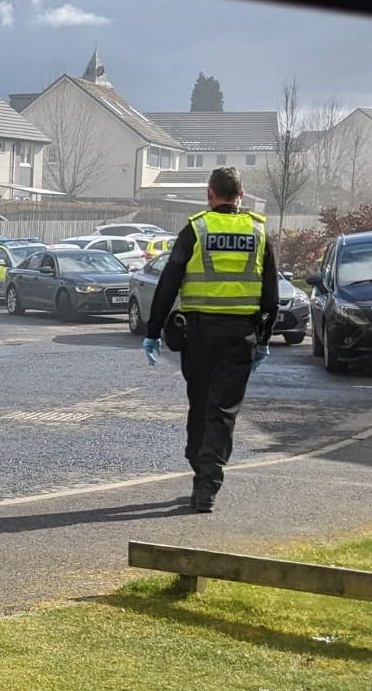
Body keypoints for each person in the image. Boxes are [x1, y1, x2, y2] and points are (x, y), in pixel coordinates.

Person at [143, 166, 277, 514]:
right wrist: (264, 337)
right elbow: (271, 294)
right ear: (241, 195)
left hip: (199, 335)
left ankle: (199, 469)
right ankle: (207, 484)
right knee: (223, 412)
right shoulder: (258, 232)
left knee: (200, 404)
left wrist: (152, 331)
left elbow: (168, 282)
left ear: (210, 193)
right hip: (240, 335)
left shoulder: (196, 229)